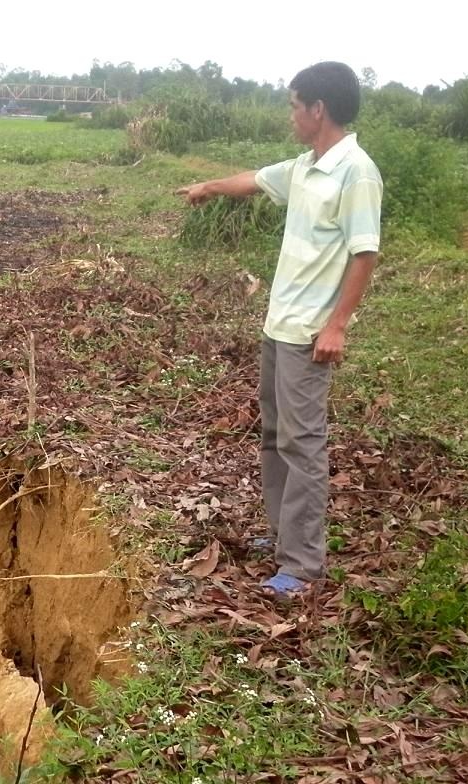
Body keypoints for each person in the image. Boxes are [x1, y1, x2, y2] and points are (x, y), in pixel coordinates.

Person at [175, 62, 383, 599]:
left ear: (318, 108)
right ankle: (281, 533)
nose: (290, 115)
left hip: (309, 334)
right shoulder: (307, 166)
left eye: (294, 105)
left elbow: (365, 253)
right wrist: (208, 186)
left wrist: (337, 326)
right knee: (274, 436)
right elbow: (255, 180)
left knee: (302, 443)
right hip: (279, 325)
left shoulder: (355, 172)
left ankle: (303, 564)